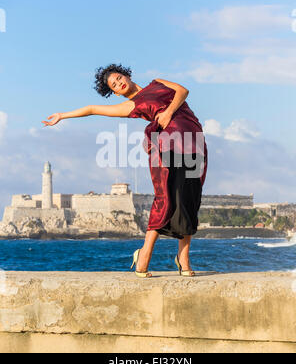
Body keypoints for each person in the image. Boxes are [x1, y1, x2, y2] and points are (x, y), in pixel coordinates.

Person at [42, 63, 208, 278]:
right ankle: (144, 255)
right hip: (166, 145)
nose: (119, 83)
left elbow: (183, 91)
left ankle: (183, 258)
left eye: (119, 78)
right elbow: (92, 109)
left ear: (127, 75)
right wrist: (63, 115)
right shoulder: (131, 106)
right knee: (165, 198)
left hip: (193, 141)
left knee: (190, 199)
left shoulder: (157, 82)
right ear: (114, 92)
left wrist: (167, 112)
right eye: (114, 85)